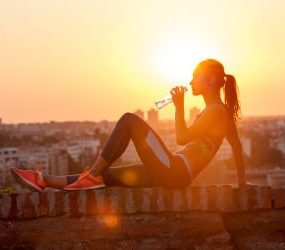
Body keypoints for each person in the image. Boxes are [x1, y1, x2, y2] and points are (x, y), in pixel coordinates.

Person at [11, 58, 247, 192]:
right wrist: (242, 185)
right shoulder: (218, 112)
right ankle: (44, 180)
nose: (190, 81)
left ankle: (91, 174)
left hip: (175, 171)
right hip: (172, 173)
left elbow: (182, 138)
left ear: (212, 80)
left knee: (129, 120)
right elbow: (236, 148)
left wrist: (178, 106)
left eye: (196, 77)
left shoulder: (216, 111)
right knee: (109, 176)